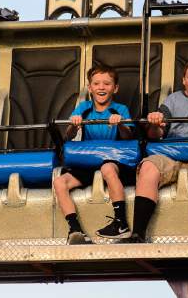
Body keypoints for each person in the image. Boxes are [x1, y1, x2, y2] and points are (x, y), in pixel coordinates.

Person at [125, 55, 188, 243]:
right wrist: (155, 123)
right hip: (171, 152)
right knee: (148, 167)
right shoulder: (172, 99)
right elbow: (156, 134)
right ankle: (138, 234)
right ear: (184, 80)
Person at [53, 65, 134, 245]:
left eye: (107, 83)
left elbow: (129, 136)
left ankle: (121, 223)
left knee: (107, 168)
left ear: (115, 88)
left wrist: (120, 124)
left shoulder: (120, 109)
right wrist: (74, 124)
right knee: (59, 181)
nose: (101, 87)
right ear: (90, 88)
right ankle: (75, 230)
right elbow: (68, 136)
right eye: (96, 83)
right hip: (89, 161)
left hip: (114, 159)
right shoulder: (83, 107)